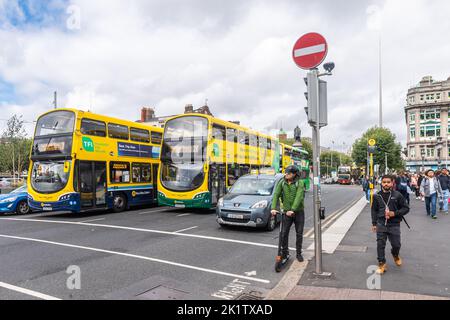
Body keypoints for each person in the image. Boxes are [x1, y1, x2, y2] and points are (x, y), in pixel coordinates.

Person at [371, 175, 410, 275]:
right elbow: (374, 210)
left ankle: (395, 254)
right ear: (381, 183)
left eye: (388, 182)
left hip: (394, 224)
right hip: (381, 223)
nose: (386, 184)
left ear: (392, 183)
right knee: (380, 244)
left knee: (396, 245)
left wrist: (395, 213)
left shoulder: (397, 195)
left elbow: (406, 208)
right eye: (384, 182)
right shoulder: (376, 196)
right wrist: (374, 223)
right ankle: (382, 264)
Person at [271, 165, 305, 263]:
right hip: (286, 212)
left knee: (299, 233)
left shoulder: (300, 183)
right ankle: (285, 253)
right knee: (283, 233)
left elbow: (299, 197)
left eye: (289, 173)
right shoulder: (282, 182)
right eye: (285, 172)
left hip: (298, 212)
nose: (286, 174)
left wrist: (293, 209)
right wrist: (273, 208)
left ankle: (298, 253)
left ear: (294, 174)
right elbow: (276, 194)